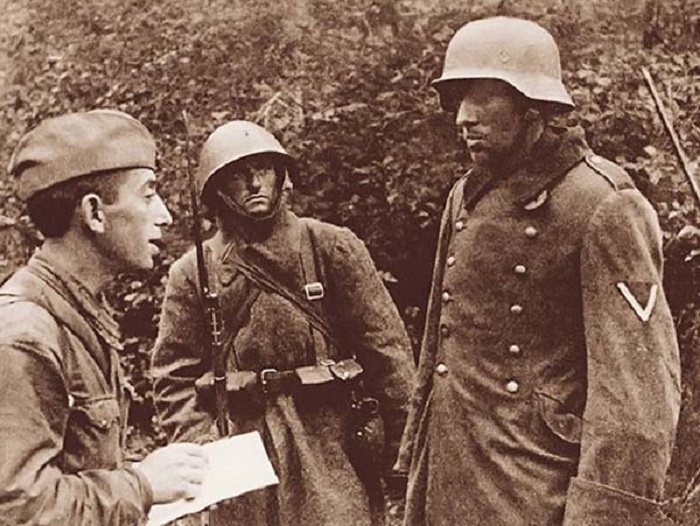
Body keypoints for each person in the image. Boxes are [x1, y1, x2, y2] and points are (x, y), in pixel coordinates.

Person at [396, 16, 681, 526]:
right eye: (458, 100)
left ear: (533, 108)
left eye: (483, 98)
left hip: (536, 491)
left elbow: (637, 400)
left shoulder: (601, 203)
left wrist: (606, 514)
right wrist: (415, 461)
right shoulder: (465, 195)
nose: (463, 118)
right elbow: (439, 352)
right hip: (453, 478)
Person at [151, 120, 413, 526]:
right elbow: (174, 376)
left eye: (263, 170)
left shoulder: (330, 247)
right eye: (237, 175)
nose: (254, 183)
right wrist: (205, 448)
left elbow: (387, 356)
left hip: (331, 448)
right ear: (217, 190)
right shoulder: (194, 272)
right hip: (243, 456)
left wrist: (402, 452)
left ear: (282, 176)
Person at [0, 110, 209, 525]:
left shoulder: (78, 311)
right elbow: (21, 508)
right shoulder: (25, 335)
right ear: (94, 213)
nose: (164, 215)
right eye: (147, 195)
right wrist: (142, 485)